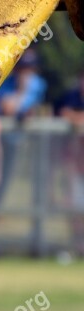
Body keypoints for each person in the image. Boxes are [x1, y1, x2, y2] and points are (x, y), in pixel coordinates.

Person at [0, 49, 46, 256]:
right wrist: (21, 94)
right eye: (23, 68)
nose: (26, 73)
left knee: (23, 193)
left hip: (24, 147)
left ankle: (35, 244)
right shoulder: (7, 84)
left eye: (29, 69)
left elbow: (35, 110)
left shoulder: (39, 85)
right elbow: (5, 108)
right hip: (0, 146)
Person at [58, 74, 84, 255]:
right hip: (76, 165)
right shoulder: (72, 97)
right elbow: (64, 113)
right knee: (75, 208)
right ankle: (78, 245)